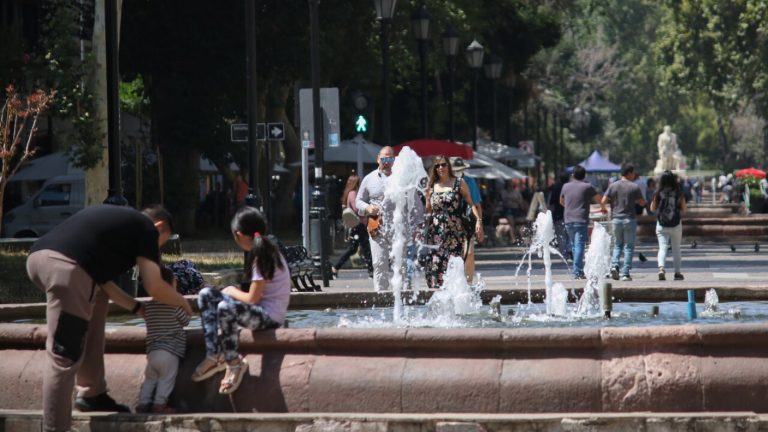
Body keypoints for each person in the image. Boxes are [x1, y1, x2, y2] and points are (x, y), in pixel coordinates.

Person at [26, 204, 192, 432]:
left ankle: (92, 393)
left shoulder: (117, 227)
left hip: (42, 258)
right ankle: (55, 428)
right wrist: (183, 302)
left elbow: (106, 285)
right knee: (64, 356)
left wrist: (137, 309)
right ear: (159, 226)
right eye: (159, 245)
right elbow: (154, 286)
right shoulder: (146, 228)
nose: (156, 253)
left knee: (98, 298)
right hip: (66, 269)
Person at [192, 206, 289, 395]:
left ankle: (234, 362)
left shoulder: (263, 255)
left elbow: (252, 298)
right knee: (206, 295)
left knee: (225, 307)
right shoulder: (263, 250)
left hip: (270, 317)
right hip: (259, 311)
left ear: (239, 235)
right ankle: (213, 355)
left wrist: (232, 291)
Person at [136, 267, 190, 414]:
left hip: (152, 352)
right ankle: (159, 404)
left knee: (150, 380)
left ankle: (143, 403)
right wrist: (187, 309)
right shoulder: (174, 305)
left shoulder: (149, 307)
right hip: (170, 351)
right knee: (167, 379)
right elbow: (185, 321)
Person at [423, 155, 482, 288]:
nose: (440, 168)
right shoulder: (432, 185)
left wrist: (478, 220)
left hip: (455, 231)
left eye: (443, 164)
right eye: (437, 166)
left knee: (455, 263)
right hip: (436, 232)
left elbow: (471, 203)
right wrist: (427, 198)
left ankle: (458, 293)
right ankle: (439, 296)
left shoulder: (459, 182)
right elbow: (428, 211)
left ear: (448, 166)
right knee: (436, 264)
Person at [356, 146, 396, 291]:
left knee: (401, 265)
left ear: (394, 160)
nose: (387, 162)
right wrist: (367, 208)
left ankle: (403, 298)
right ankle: (381, 298)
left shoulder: (401, 177)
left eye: (390, 158)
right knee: (379, 263)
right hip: (377, 227)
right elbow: (358, 201)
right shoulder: (369, 179)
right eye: (384, 158)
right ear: (378, 159)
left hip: (398, 227)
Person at [601, 164, 646, 281]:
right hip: (629, 219)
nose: (634, 175)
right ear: (630, 173)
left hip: (616, 219)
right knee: (629, 247)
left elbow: (603, 200)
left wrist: (604, 208)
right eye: (633, 173)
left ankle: (615, 266)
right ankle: (625, 273)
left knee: (617, 245)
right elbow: (642, 202)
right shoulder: (634, 187)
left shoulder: (613, 186)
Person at [560, 165, 606, 279]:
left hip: (568, 219)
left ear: (573, 175)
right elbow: (600, 199)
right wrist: (603, 208)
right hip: (581, 219)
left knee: (574, 244)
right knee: (579, 244)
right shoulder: (587, 187)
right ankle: (577, 271)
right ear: (584, 176)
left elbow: (561, 201)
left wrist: (570, 207)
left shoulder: (565, 186)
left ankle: (578, 270)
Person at [449, 157, 485, 282]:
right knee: (453, 254)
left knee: (469, 252)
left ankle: (468, 282)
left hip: (467, 221)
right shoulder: (446, 182)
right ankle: (453, 281)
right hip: (450, 222)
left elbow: (476, 205)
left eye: (460, 169)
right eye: (455, 170)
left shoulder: (470, 181)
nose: (458, 172)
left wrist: (480, 224)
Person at [332, 174, 373, 278]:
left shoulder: (350, 193)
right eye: (359, 183)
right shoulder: (353, 193)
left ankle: (335, 267)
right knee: (365, 247)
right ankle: (371, 271)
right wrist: (368, 210)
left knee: (353, 249)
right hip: (358, 224)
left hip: (356, 224)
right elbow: (357, 208)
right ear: (355, 183)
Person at [650, 170, 687, 281]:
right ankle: (677, 273)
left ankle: (661, 268)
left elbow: (652, 208)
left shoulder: (658, 192)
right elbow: (684, 209)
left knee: (662, 247)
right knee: (676, 249)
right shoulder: (678, 192)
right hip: (675, 224)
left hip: (662, 224)